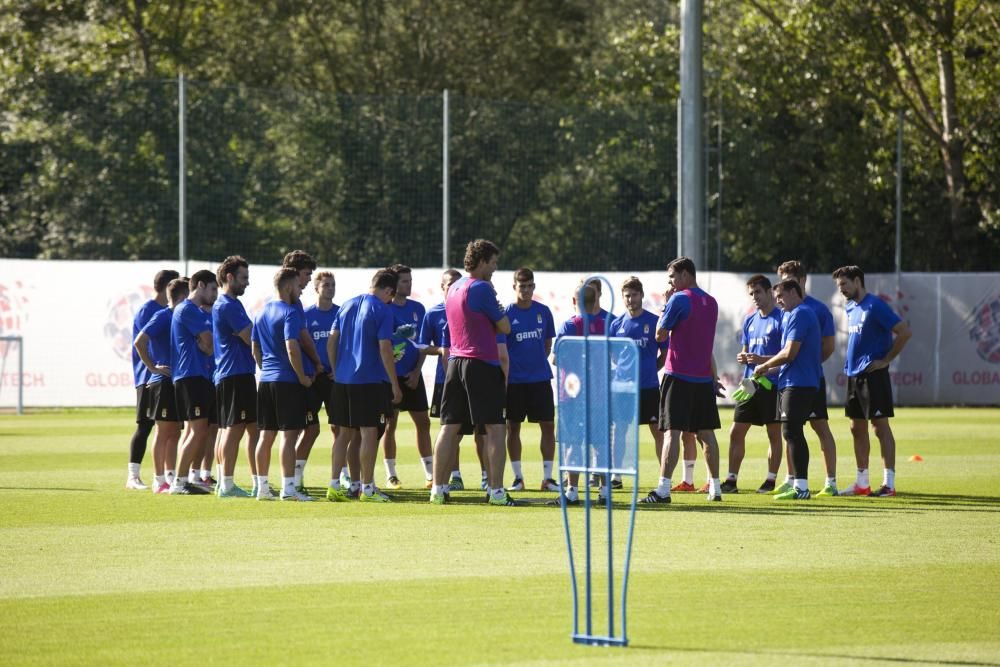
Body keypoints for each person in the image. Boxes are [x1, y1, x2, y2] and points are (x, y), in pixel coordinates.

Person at [429, 239, 513, 506]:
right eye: (493, 262)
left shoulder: (453, 287)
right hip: (481, 364)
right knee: (496, 429)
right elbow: (505, 326)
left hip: (455, 363)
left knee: (449, 427)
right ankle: (497, 492)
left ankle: (438, 489)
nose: (495, 268)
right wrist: (496, 306)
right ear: (483, 261)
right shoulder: (481, 288)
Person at [643, 257, 723, 504]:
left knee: (671, 433)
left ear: (686, 274)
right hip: (702, 378)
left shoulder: (678, 299)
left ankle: (663, 489)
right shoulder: (711, 302)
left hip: (678, 375)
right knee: (707, 434)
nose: (671, 283)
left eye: (672, 277)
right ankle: (716, 488)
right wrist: (713, 376)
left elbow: (659, 334)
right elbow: (705, 344)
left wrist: (665, 304)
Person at [833, 265, 912, 497]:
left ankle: (889, 484)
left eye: (845, 285)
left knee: (880, 427)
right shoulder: (850, 307)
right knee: (856, 427)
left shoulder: (875, 305)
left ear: (857, 281)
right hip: (853, 375)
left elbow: (904, 332)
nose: (842, 290)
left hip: (873, 375)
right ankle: (862, 482)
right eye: (839, 287)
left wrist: (885, 360)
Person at [325, 269, 403, 503]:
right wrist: (394, 384)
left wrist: (337, 370)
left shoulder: (346, 305)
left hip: (343, 380)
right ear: (389, 291)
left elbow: (331, 342)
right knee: (369, 432)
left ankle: (334, 485)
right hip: (368, 380)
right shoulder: (382, 309)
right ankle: (368, 489)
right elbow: (385, 349)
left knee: (344, 434)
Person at [751, 279, 823, 500]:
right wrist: (769, 370)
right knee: (791, 433)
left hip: (799, 383)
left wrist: (764, 365)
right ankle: (797, 484)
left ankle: (801, 487)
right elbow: (789, 357)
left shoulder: (800, 313)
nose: (778, 301)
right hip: (791, 380)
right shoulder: (793, 314)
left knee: (792, 432)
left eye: (781, 296)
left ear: (793, 292)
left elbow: (790, 353)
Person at [419, 269, 487, 490]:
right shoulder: (433, 313)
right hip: (444, 380)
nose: (453, 287)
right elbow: (422, 345)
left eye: (457, 283)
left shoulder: (469, 309)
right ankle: (452, 476)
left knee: (481, 429)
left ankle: (487, 477)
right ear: (442, 287)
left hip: (471, 377)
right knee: (450, 429)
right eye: (449, 284)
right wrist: (440, 350)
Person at [776, 260, 839, 496]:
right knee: (789, 429)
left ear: (801, 282)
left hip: (809, 380)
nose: (782, 286)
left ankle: (830, 482)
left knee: (819, 427)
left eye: (787, 281)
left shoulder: (818, 309)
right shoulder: (785, 308)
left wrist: (808, 365)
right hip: (790, 378)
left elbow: (828, 346)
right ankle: (791, 479)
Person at [251, 268, 314, 501]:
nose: (300, 290)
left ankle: (262, 488)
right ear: (288, 287)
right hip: (287, 381)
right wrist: (301, 377)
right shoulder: (290, 312)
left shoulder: (260, 313)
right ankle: (289, 489)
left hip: (266, 381)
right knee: (288, 436)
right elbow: (292, 347)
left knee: (266, 436)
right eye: (298, 286)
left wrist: (265, 368)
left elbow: (254, 348)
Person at [724, 274, 784, 494]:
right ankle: (731, 480)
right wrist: (743, 356)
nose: (755, 297)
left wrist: (764, 362)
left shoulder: (782, 319)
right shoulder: (750, 319)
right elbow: (745, 350)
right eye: (751, 294)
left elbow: (787, 354)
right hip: (750, 383)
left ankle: (770, 480)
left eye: (758, 292)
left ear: (770, 292)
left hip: (772, 383)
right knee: (736, 431)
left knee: (774, 433)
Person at [550, 281, 607, 506]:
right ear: (595, 302)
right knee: (600, 443)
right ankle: (604, 491)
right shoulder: (606, 325)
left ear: (574, 301)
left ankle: (572, 490)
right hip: (599, 393)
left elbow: (556, 358)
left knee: (572, 443)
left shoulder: (569, 326)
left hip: (572, 394)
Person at [609, 276, 668, 489]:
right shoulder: (616, 324)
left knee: (658, 431)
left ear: (641, 295)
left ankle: (664, 477)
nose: (631, 299)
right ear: (623, 298)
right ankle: (617, 476)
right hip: (624, 388)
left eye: (634, 295)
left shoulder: (654, 322)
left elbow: (665, 352)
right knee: (620, 431)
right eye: (627, 296)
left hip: (649, 387)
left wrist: (653, 369)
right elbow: (613, 355)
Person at [504, 268, 559, 492]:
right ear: (514, 287)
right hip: (514, 382)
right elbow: (501, 348)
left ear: (534, 287)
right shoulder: (506, 313)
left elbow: (547, 344)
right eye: (521, 286)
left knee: (547, 426)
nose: (525, 290)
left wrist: (535, 364)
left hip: (540, 379)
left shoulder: (543, 312)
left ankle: (547, 478)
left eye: (529, 286)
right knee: (512, 427)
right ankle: (518, 478)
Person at [381, 264, 434, 490]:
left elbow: (423, 345)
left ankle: (431, 474)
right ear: (393, 285)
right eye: (404, 281)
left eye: (410, 280)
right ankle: (391, 475)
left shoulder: (418, 309)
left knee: (423, 423)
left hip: (413, 376)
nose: (409, 284)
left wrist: (417, 371)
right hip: (391, 376)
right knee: (389, 426)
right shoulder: (385, 308)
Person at [133, 277, 187, 494]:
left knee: (175, 431)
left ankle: (171, 476)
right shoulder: (163, 315)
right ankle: (158, 479)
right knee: (163, 430)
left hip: (177, 380)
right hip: (162, 381)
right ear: (183, 297)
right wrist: (153, 367)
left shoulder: (181, 317)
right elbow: (139, 341)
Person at [169, 270, 218, 495]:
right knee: (198, 430)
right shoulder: (189, 310)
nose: (215, 294)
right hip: (192, 375)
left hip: (193, 375)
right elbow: (208, 343)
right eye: (213, 288)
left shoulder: (190, 310)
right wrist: (205, 345)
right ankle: (179, 483)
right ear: (200, 285)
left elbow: (207, 344)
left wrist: (206, 345)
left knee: (193, 430)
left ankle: (184, 479)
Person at [212, 255, 256, 498]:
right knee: (233, 429)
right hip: (235, 373)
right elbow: (250, 336)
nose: (247, 283)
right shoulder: (228, 305)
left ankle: (224, 481)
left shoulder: (230, 304)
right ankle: (227, 484)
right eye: (243, 278)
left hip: (233, 373)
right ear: (229, 277)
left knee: (241, 427)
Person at [298, 271, 340, 492]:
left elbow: (346, 345)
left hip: (334, 379)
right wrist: (312, 368)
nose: (330, 288)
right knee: (309, 429)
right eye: (326, 285)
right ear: (316, 288)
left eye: (333, 285)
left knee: (339, 428)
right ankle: (296, 476)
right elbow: (300, 346)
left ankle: (341, 475)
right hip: (313, 379)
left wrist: (339, 369)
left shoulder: (341, 313)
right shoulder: (305, 315)